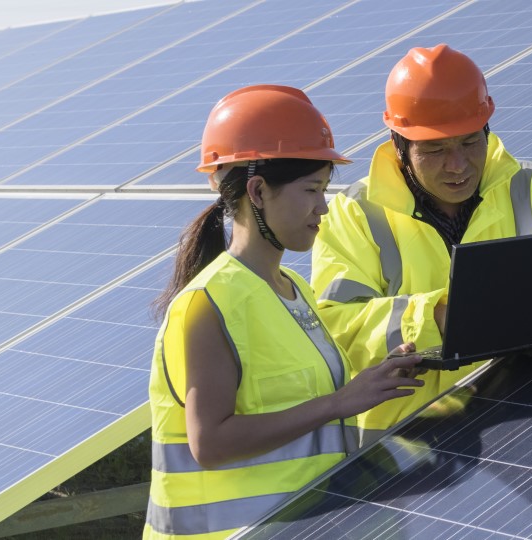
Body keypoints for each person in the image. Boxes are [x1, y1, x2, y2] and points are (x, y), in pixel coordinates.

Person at [312, 44, 532, 440]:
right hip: (415, 442)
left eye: (469, 143)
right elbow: (335, 329)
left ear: (486, 129)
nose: (457, 165)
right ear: (400, 145)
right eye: (435, 149)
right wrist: (435, 318)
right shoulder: (354, 215)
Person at [146, 85, 424, 540]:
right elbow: (210, 444)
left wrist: (371, 380)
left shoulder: (295, 291)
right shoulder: (206, 304)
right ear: (257, 191)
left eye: (325, 189)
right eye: (312, 189)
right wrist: (341, 401)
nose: (324, 206)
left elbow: (307, 406)